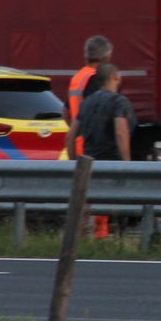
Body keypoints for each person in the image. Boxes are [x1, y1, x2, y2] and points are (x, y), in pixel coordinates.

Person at [64, 63, 135, 238]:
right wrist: (127, 164)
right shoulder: (119, 101)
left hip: (89, 163)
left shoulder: (87, 102)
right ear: (115, 77)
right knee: (114, 209)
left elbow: (71, 135)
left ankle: (84, 239)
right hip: (112, 163)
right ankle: (110, 237)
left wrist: (75, 162)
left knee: (88, 206)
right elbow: (121, 132)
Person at [64, 35, 113, 154]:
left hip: (78, 146)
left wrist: (75, 133)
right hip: (92, 150)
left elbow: (66, 112)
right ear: (106, 57)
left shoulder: (78, 77)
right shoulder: (97, 79)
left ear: (86, 56)